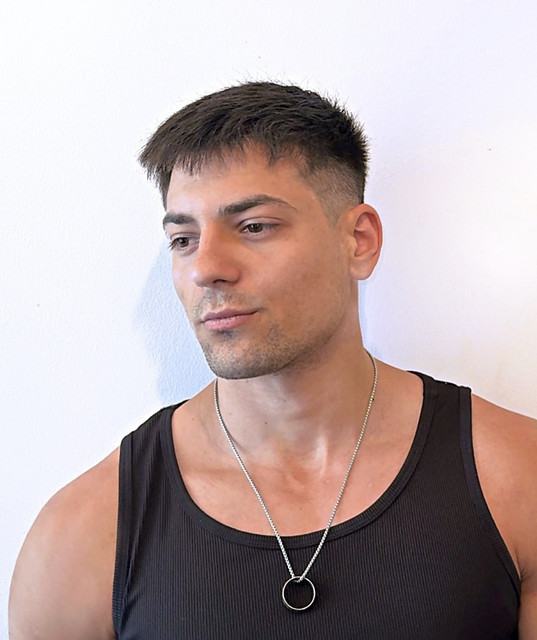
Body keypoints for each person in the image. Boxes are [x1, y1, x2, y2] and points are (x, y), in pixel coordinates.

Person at [9, 82, 537, 639]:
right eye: (184, 239)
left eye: (254, 226)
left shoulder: (516, 478)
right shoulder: (83, 535)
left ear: (359, 241)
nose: (206, 268)